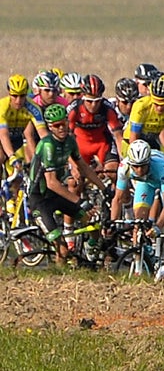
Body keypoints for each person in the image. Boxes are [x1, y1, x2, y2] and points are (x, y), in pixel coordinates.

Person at [26, 104, 111, 259]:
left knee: (92, 224)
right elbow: (51, 182)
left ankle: (90, 255)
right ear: (50, 127)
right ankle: (59, 279)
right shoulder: (47, 145)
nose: (61, 128)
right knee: (63, 251)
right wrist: (80, 201)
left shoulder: (70, 141)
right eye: (57, 126)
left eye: (64, 123)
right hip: (39, 199)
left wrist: (104, 188)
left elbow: (83, 167)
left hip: (53, 196)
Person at [110, 140, 164, 273]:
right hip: (145, 183)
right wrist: (112, 224)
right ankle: (138, 263)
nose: (139, 170)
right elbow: (117, 198)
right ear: (131, 164)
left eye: (143, 166)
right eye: (136, 166)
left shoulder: (161, 167)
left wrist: (158, 227)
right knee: (138, 221)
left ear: (149, 162)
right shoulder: (124, 167)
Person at [67, 74, 124, 178]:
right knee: (75, 182)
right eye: (89, 101)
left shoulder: (107, 108)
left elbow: (118, 136)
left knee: (114, 172)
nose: (93, 106)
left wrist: (124, 160)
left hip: (102, 144)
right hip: (80, 145)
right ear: (83, 97)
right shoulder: (74, 110)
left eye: (97, 101)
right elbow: (66, 139)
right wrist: (72, 164)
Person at [0, 74, 45, 172]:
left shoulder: (33, 108)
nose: (18, 101)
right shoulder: (2, 106)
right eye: (14, 96)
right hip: (1, 139)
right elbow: (3, 135)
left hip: (16, 141)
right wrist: (11, 156)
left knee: (18, 176)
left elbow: (43, 134)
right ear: (9, 93)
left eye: (22, 96)